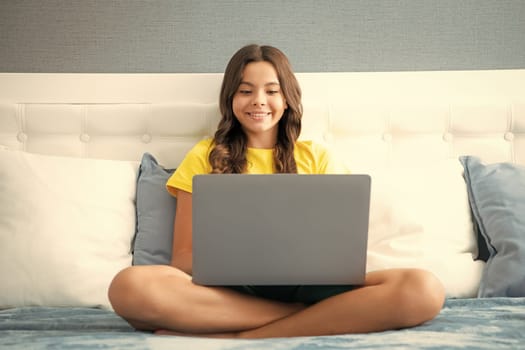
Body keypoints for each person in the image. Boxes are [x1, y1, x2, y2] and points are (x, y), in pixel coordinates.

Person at [108, 44, 445, 338]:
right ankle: (311, 319)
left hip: (314, 288)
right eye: (245, 90)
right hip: (230, 292)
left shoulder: (317, 156)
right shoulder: (204, 155)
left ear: (287, 99)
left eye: (271, 90)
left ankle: (244, 335)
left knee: (424, 289)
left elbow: (344, 250)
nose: (259, 101)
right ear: (230, 98)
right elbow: (182, 259)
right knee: (129, 287)